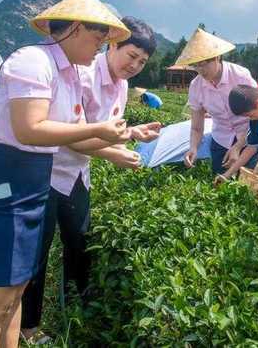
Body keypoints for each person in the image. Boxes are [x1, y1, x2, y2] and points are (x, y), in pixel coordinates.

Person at [0, 0, 133, 348]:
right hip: (0, 182)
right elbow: (29, 129)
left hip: (31, 181)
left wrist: (120, 138)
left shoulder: (67, 73)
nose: (101, 45)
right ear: (76, 28)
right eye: (99, 36)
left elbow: (68, 137)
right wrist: (99, 129)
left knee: (15, 290)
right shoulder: (32, 62)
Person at [19, 17, 162, 343]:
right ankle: (29, 327)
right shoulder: (81, 73)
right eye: (132, 55)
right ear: (112, 44)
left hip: (78, 174)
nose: (135, 65)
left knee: (80, 244)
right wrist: (114, 153)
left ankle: (77, 311)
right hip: (48, 173)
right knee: (36, 254)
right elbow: (72, 134)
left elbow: (107, 132)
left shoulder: (122, 87)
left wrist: (131, 136)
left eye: (142, 61)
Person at [179, 28, 258, 178]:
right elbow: (197, 127)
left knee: (245, 184)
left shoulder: (240, 75)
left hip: (249, 136)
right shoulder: (196, 86)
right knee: (220, 183)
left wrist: (239, 145)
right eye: (195, 65)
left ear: (217, 57)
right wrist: (193, 148)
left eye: (204, 64)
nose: (200, 70)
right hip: (221, 139)